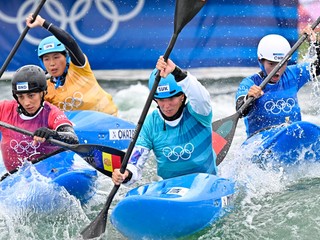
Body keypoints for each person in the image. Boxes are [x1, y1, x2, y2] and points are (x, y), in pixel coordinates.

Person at [112, 56, 217, 185]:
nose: (166, 106)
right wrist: (126, 174)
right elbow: (137, 158)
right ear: (155, 99)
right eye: (161, 100)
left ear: (182, 96)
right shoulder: (150, 122)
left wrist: (177, 72)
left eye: (171, 99)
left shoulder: (199, 112)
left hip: (205, 183)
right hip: (169, 187)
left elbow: (200, 97)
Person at [25, 14, 118, 116]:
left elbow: (70, 43)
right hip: (78, 129)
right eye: (46, 59)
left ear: (66, 57)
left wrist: (43, 23)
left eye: (56, 57)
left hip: (110, 122)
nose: (52, 63)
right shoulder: (45, 89)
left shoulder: (80, 68)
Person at [235, 27, 319, 138]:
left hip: (292, 137)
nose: (277, 69)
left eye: (282, 63)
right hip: (260, 143)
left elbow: (318, 67)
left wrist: (314, 43)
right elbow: (240, 110)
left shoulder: (294, 74)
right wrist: (249, 98)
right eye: (271, 64)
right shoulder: (250, 83)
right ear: (261, 61)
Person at [0, 65, 79, 172]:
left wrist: (51, 133)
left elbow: (73, 139)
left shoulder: (52, 112)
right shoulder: (5, 109)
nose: (26, 102)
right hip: (14, 179)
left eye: (31, 95)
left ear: (43, 93)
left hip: (50, 174)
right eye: (21, 97)